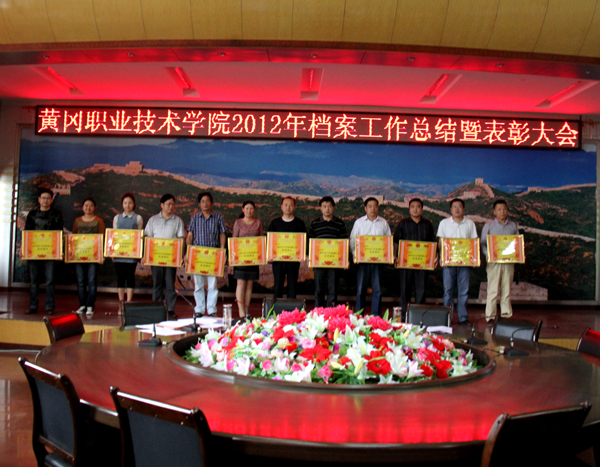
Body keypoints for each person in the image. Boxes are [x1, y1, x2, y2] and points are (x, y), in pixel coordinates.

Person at [436, 198, 478, 325]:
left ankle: (463, 317)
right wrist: (441, 256)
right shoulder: (444, 223)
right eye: (454, 207)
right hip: (448, 263)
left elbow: (474, 242)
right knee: (448, 291)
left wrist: (474, 259)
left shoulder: (470, 224)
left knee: (463, 291)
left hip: (465, 263)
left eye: (460, 206)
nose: (457, 209)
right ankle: (447, 318)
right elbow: (441, 242)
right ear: (451, 209)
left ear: (463, 209)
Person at [393, 198, 436, 317]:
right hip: (405, 263)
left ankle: (418, 317)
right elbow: (396, 241)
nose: (415, 209)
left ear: (422, 209)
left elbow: (432, 243)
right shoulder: (402, 224)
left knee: (421, 291)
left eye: (418, 207)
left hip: (422, 264)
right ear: (409, 209)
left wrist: (435, 257)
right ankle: (403, 316)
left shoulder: (427, 224)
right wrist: (395, 256)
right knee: (404, 291)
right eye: (413, 207)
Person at [144, 193, 185, 320]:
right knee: (157, 283)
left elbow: (181, 239)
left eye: (172, 204)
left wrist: (180, 256)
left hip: (171, 259)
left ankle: (170, 309)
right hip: (156, 258)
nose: (171, 207)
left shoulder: (178, 221)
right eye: (168, 204)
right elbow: (147, 238)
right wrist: (146, 254)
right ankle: (156, 308)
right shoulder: (153, 220)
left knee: (170, 285)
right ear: (161, 205)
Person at [186, 192, 226, 317]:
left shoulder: (218, 217)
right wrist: (188, 252)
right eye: (202, 201)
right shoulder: (195, 218)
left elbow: (222, 234)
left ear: (211, 202)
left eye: (207, 201)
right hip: (198, 256)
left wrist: (222, 250)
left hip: (213, 255)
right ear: (199, 204)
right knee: (198, 284)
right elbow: (190, 236)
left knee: (213, 284)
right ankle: (199, 309)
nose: (205, 204)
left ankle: (212, 309)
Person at [24, 189, 64, 315]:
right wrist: (23, 249)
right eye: (43, 198)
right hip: (34, 251)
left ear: (51, 200)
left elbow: (59, 233)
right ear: (39, 199)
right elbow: (27, 232)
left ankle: (49, 306)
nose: (45, 200)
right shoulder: (32, 214)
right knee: (34, 280)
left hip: (50, 252)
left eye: (48, 198)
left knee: (50, 280)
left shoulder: (56, 214)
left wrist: (60, 251)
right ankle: (33, 305)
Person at [349, 197, 391, 316]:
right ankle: (359, 316)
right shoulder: (359, 223)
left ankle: (376, 316)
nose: (372, 209)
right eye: (370, 206)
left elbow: (388, 241)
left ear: (378, 208)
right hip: (362, 261)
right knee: (361, 289)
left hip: (378, 262)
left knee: (377, 290)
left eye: (375, 206)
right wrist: (354, 254)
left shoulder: (383, 223)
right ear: (365, 208)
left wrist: (388, 256)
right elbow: (352, 240)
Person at [481, 199, 519, 322]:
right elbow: (483, 244)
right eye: (499, 209)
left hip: (508, 262)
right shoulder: (489, 226)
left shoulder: (513, 226)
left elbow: (517, 243)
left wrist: (516, 255)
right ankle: (490, 316)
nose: (502, 212)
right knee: (492, 290)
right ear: (495, 212)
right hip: (493, 263)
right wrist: (488, 255)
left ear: (507, 211)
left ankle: (506, 315)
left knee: (506, 289)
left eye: (504, 209)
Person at [308, 196, 347, 307]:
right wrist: (310, 258)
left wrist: (345, 260)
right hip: (318, 262)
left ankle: (331, 312)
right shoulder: (314, 224)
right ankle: (318, 312)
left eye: (329, 206)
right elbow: (310, 242)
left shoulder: (340, 223)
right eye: (324, 206)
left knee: (332, 289)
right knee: (319, 289)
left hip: (334, 262)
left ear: (333, 208)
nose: (327, 209)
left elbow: (344, 242)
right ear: (320, 208)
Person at [72, 197, 106, 316]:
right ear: (82, 207)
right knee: (80, 281)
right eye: (86, 205)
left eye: (91, 205)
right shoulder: (77, 221)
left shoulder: (99, 221)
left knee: (91, 281)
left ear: (94, 207)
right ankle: (82, 305)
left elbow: (102, 239)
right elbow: (73, 238)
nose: (88, 208)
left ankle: (90, 306)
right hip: (79, 255)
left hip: (93, 256)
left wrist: (101, 255)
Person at [268, 197, 307, 299]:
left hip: (293, 260)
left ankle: (292, 308)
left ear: (294, 207)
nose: (288, 207)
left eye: (291, 205)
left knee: (292, 286)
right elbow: (270, 241)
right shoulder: (275, 223)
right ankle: (276, 308)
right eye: (286, 205)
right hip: (278, 260)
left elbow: (303, 241)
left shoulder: (299, 223)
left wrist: (302, 255)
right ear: (281, 207)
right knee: (278, 285)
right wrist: (270, 255)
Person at [232, 200, 264, 318]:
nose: (249, 211)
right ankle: (241, 312)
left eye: (251, 209)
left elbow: (261, 240)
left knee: (249, 285)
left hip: (253, 259)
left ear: (254, 210)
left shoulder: (258, 223)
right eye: (247, 208)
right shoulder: (238, 223)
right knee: (240, 283)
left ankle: (246, 310)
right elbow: (234, 240)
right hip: (241, 259)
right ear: (243, 209)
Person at [112, 192, 143, 307]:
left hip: (132, 254)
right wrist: (112, 253)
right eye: (125, 203)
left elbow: (140, 237)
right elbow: (114, 236)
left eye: (130, 203)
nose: (127, 205)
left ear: (134, 204)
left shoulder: (138, 218)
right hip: (119, 253)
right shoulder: (117, 218)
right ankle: (121, 303)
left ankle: (129, 303)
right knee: (120, 277)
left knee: (130, 277)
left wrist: (139, 253)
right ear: (122, 204)